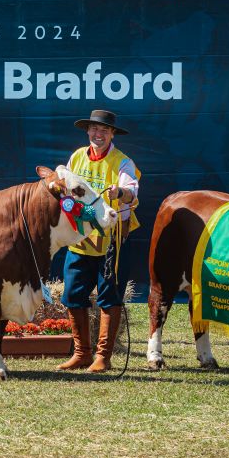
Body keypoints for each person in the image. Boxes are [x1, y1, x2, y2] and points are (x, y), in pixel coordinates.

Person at [57, 109, 140, 373]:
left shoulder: (123, 162)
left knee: (109, 296)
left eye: (103, 130)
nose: (98, 134)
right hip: (80, 238)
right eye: (94, 129)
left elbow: (132, 192)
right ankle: (82, 353)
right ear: (87, 132)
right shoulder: (77, 157)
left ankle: (103, 357)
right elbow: (67, 186)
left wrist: (121, 192)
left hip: (112, 239)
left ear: (112, 134)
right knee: (72, 294)